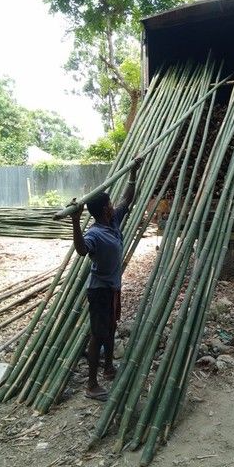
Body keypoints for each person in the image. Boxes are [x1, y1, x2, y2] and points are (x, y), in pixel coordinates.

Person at [70, 157, 142, 400]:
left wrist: (133, 173)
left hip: (112, 288)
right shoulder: (95, 233)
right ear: (104, 209)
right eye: (110, 203)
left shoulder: (113, 221)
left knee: (110, 329)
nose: (114, 205)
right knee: (98, 334)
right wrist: (75, 221)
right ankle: (91, 385)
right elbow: (81, 250)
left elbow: (127, 198)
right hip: (99, 291)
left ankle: (109, 367)